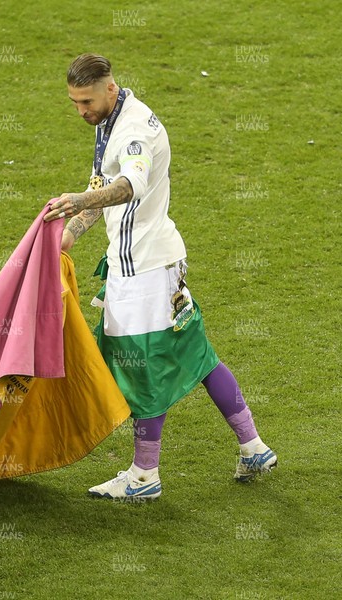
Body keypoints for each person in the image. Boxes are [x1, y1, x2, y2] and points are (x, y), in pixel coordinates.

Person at [44, 53, 277, 500]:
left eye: (86, 101)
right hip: (162, 262)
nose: (81, 111)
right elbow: (102, 187)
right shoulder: (112, 119)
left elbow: (130, 185)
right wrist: (72, 232)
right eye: (74, 102)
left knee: (139, 368)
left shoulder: (132, 132)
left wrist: (74, 201)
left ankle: (144, 475)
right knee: (198, 356)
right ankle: (254, 446)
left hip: (143, 272)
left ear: (110, 88)